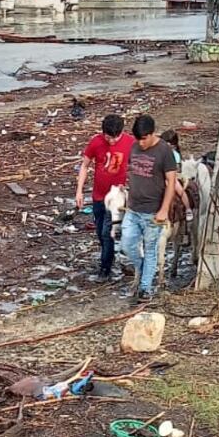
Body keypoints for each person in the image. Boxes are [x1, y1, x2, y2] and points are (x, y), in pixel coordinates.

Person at [120, 115, 178, 298]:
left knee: (151, 247)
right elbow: (132, 171)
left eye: (144, 138)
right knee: (127, 244)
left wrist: (164, 209)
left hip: (153, 211)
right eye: (138, 138)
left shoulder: (164, 151)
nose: (141, 143)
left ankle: (145, 288)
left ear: (152, 134)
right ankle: (145, 268)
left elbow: (171, 181)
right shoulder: (135, 147)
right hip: (133, 208)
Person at [75, 111, 134, 282]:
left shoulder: (130, 143)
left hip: (116, 197)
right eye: (109, 137)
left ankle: (105, 268)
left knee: (107, 232)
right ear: (103, 133)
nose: (112, 141)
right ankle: (109, 256)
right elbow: (85, 166)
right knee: (100, 232)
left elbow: (136, 165)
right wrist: (79, 190)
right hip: (98, 195)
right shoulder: (96, 142)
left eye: (116, 137)